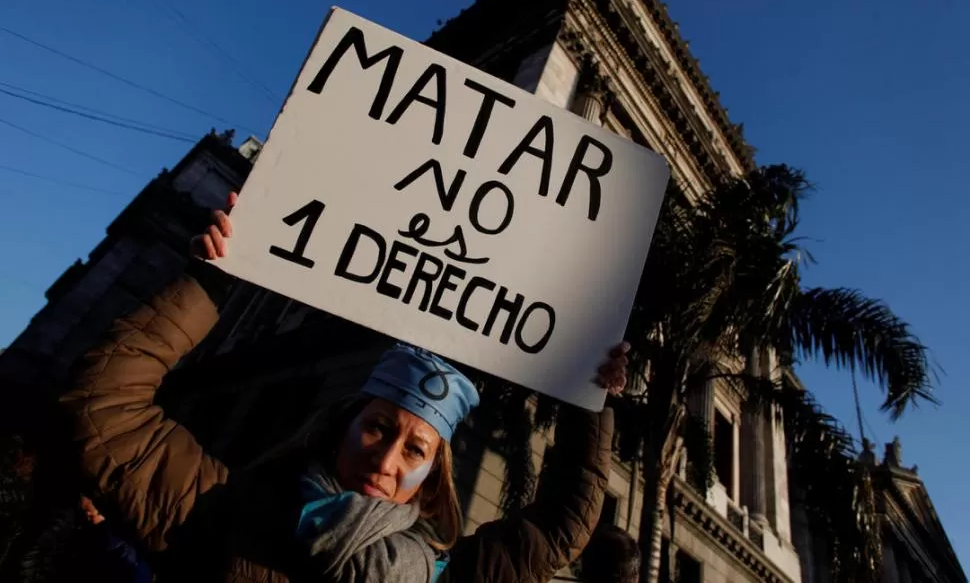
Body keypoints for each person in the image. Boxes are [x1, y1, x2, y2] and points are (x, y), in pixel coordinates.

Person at [60, 191, 626, 583]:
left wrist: (589, 397)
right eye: (377, 428)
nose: (385, 460)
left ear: (432, 482)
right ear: (340, 430)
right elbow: (102, 406)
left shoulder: (448, 575)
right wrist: (210, 282)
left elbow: (561, 525)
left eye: (415, 450)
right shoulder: (222, 512)